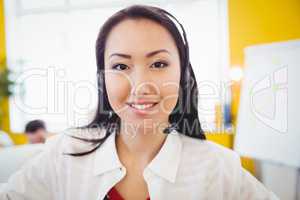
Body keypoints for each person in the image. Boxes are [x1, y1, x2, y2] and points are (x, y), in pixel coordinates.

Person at [0, 5, 279, 200]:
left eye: (158, 63)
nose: (141, 85)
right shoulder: (66, 153)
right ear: (103, 77)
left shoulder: (219, 168)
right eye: (121, 67)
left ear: (182, 74)